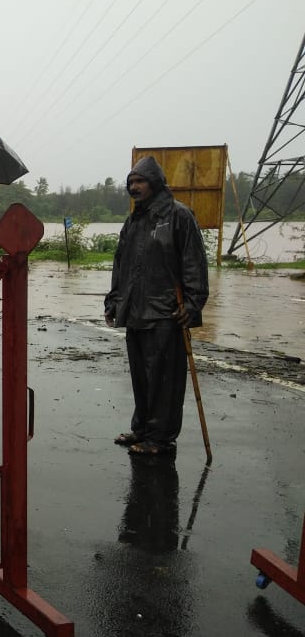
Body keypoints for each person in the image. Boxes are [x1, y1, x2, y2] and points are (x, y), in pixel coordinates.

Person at [104, 155, 209, 456]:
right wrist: (113, 300)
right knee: (141, 376)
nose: (134, 187)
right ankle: (142, 429)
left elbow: (194, 263)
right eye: (131, 183)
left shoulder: (179, 216)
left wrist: (193, 302)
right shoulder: (133, 221)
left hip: (166, 312)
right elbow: (120, 264)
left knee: (165, 379)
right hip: (135, 311)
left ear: (156, 183)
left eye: (140, 181)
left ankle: (161, 438)